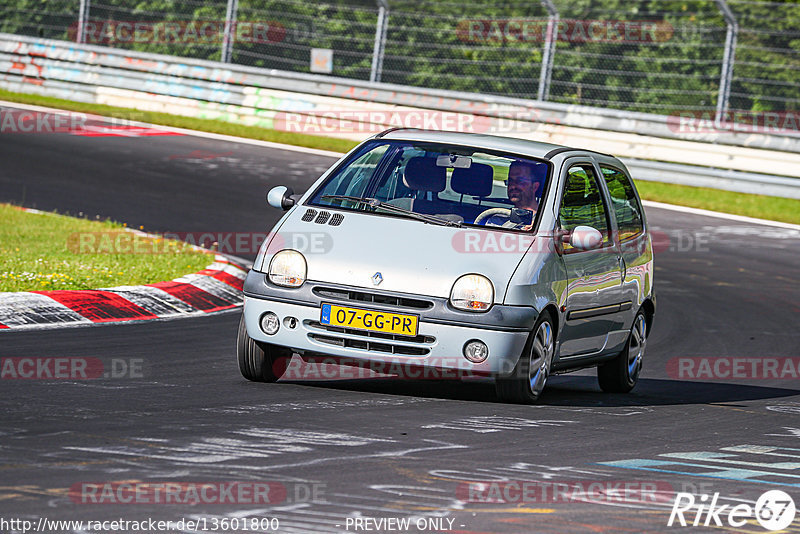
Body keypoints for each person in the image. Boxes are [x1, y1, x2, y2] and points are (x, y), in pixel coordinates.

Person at [484, 160, 544, 230]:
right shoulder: (497, 220)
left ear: (535, 187)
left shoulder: (545, 222)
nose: (512, 186)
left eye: (520, 181)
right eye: (510, 181)